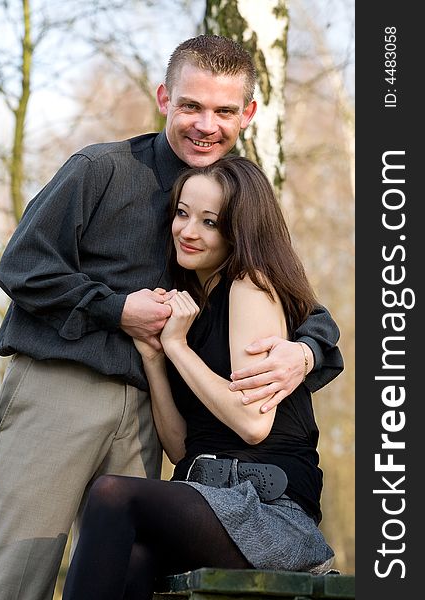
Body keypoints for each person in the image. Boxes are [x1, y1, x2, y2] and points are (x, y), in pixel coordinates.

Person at [0, 35, 343, 600]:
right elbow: (22, 266)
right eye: (191, 105)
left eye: (223, 110)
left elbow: (293, 297)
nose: (205, 124)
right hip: (68, 387)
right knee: (18, 578)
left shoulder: (240, 198)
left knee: (130, 575)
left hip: (158, 409)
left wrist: (308, 348)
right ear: (165, 97)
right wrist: (118, 309)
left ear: (248, 114)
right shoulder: (100, 169)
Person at [61, 155, 341, 600]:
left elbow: (253, 425)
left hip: (270, 513)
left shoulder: (251, 286)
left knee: (112, 494)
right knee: (132, 561)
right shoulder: (193, 305)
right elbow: (180, 447)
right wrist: (155, 356)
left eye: (210, 222)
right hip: (208, 499)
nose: (188, 231)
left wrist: (177, 348)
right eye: (182, 213)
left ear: (239, 231)